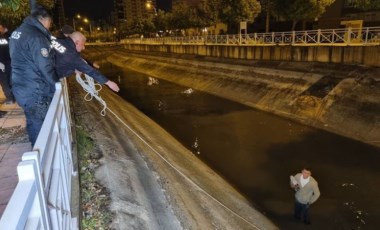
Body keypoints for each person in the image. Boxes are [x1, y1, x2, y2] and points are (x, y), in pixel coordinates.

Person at [9, 5, 57, 145]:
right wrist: (56, 85)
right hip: (35, 89)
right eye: (50, 22)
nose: (50, 26)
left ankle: (36, 150)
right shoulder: (36, 36)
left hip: (20, 86)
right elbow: (45, 66)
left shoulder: (18, 31)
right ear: (43, 19)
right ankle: (41, 156)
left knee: (32, 121)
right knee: (40, 125)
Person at [53, 31, 119, 92]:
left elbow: (62, 61)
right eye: (83, 44)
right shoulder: (70, 54)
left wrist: (74, 69)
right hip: (47, 82)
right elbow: (89, 70)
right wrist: (109, 82)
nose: (84, 47)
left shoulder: (59, 42)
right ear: (76, 42)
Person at [0, 22, 15, 104]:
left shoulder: (8, 36)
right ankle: (12, 97)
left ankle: (10, 98)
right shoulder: (11, 36)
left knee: (4, 81)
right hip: (9, 61)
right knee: (9, 80)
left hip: (4, 62)